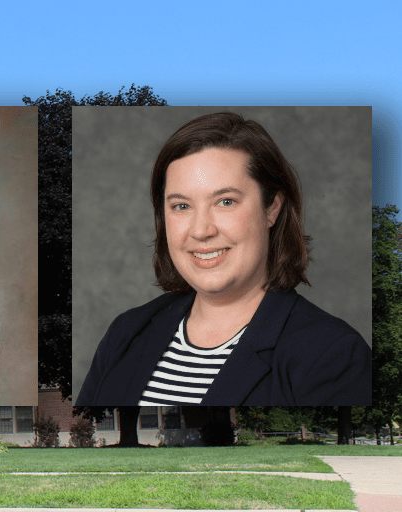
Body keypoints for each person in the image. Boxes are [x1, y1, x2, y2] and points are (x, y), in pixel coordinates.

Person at [76, 112, 371, 407]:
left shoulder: (333, 354)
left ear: (272, 208)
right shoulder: (126, 333)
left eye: (225, 202)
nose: (202, 230)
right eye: (181, 206)